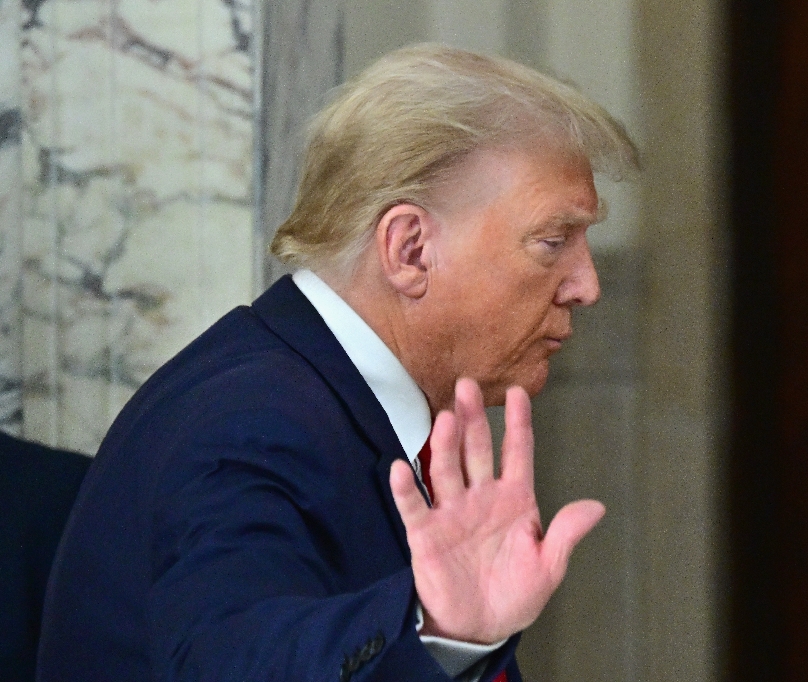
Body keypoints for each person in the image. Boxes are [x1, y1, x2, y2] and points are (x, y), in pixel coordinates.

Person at [37, 44, 638, 681]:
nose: (587, 285)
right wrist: (436, 629)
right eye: (553, 240)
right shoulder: (248, 421)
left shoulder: (335, 400)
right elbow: (230, 661)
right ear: (409, 250)